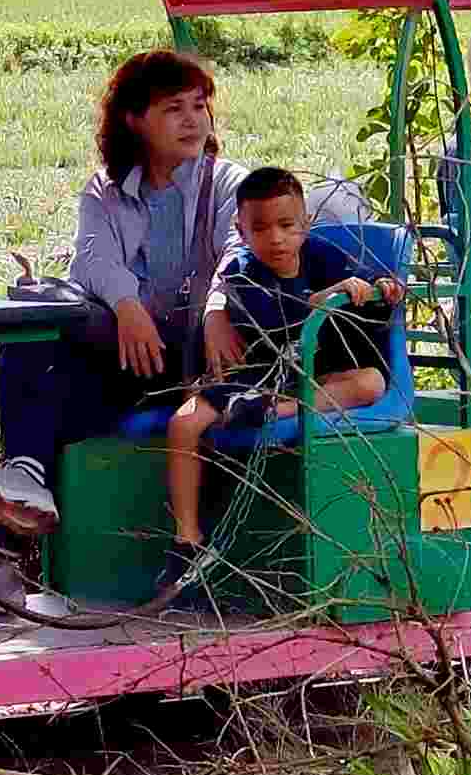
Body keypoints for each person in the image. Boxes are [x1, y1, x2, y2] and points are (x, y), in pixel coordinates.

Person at [0, 45, 227, 543]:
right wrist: (128, 306)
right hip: (127, 354)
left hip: (192, 359)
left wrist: (217, 307)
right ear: (135, 120)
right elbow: (92, 260)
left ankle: (10, 533)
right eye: (173, 108)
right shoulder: (106, 189)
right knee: (34, 321)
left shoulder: (225, 182)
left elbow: (238, 254)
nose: (191, 121)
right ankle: (23, 494)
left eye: (199, 106)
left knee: (49, 412)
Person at [165, 160, 398, 574]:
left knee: (371, 383)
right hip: (259, 378)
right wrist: (318, 301)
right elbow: (273, 318)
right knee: (183, 423)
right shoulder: (242, 275)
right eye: (261, 229)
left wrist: (380, 287)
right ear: (241, 232)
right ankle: (187, 539)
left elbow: (368, 287)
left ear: (305, 223)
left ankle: (288, 408)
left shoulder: (325, 256)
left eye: (287, 225)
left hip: (311, 378)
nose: (276, 238)